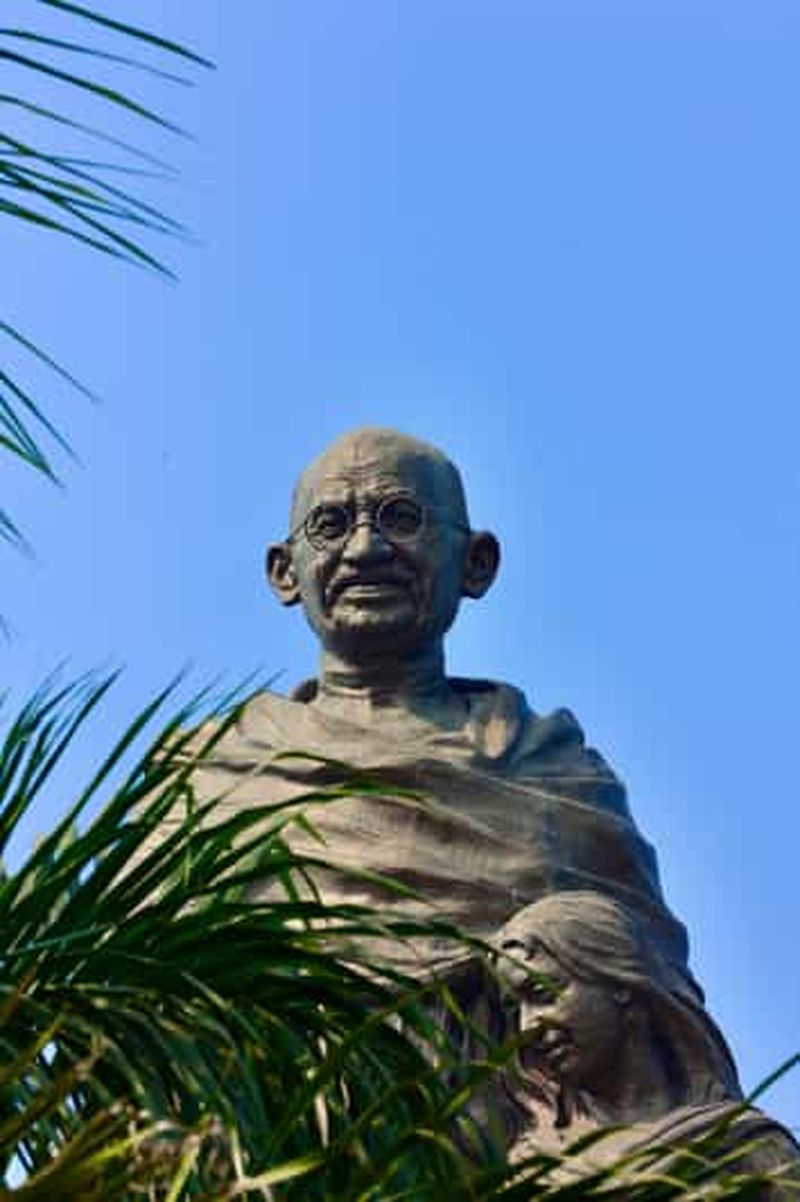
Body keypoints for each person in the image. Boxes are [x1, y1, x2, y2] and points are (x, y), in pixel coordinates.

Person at [178, 427, 689, 980]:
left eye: (402, 519)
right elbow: (139, 985)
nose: (365, 550)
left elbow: (646, 995)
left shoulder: (555, 775)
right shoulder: (210, 772)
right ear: (284, 572)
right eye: (330, 525)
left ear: (476, 563)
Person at [491, 891, 799, 1195]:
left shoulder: (744, 1147)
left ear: (618, 981)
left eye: (542, 993)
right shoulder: (532, 1171)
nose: (527, 1026)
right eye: (515, 1009)